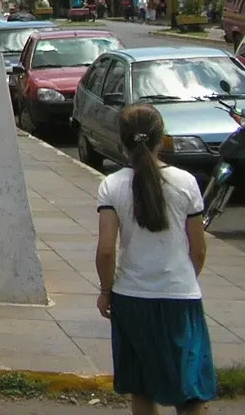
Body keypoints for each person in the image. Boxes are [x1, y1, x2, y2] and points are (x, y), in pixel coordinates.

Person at [96, 104, 217, 414]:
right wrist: (185, 276)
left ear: (122, 141)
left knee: (142, 388)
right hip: (180, 297)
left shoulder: (111, 186)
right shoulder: (186, 183)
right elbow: (198, 249)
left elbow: (107, 249)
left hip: (132, 298)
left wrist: (105, 290)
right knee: (189, 391)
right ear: (161, 139)